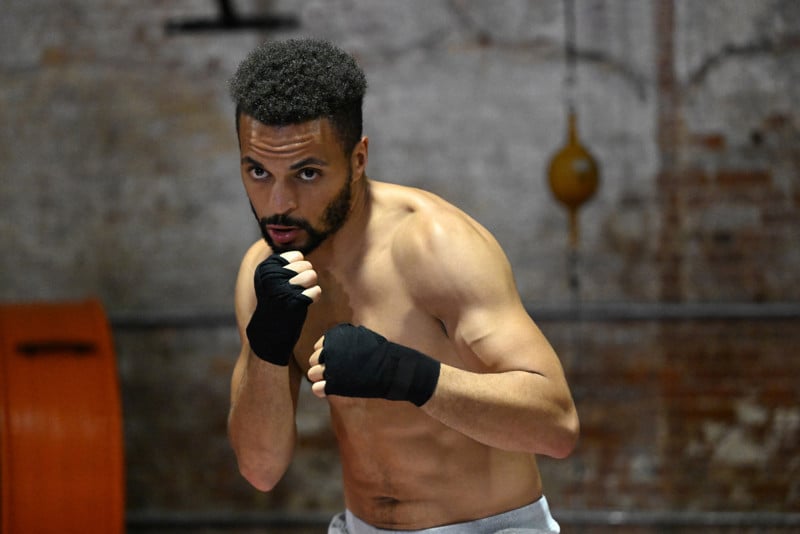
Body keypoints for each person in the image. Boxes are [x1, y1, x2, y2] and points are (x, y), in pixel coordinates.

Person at [227, 38, 579, 534]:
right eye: (258, 171)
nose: (278, 202)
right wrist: (266, 344)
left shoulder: (434, 247)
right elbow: (259, 469)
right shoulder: (263, 273)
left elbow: (558, 427)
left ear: (357, 159)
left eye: (308, 173)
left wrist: (409, 375)